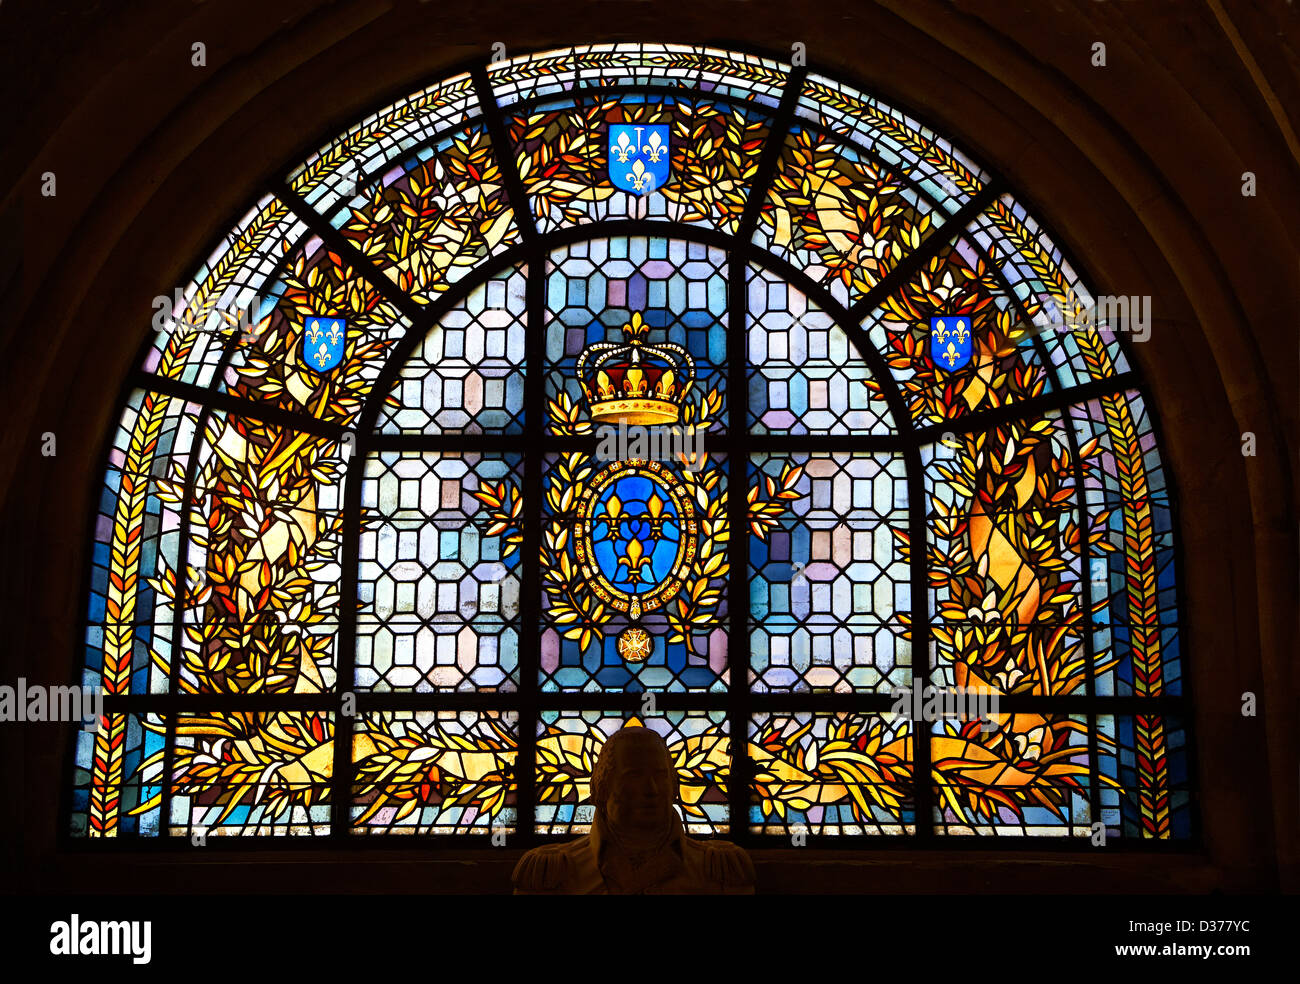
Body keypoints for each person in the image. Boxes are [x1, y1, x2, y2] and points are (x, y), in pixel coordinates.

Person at [512, 726, 755, 894]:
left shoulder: (720, 868)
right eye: (634, 776)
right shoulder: (550, 872)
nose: (651, 789)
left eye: (660, 776)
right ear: (603, 786)